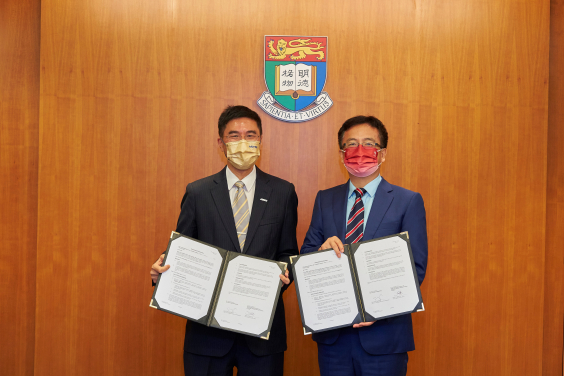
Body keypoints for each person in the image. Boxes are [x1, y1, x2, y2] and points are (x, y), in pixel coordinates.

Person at [150, 105, 299, 376]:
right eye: (234, 135)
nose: (243, 142)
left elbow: (288, 251)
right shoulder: (198, 192)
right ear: (221, 142)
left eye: (250, 134)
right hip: (207, 334)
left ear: (260, 140)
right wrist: (163, 267)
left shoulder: (283, 192)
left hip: (262, 333)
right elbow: (184, 248)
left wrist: (286, 273)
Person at [300, 115, 428, 376]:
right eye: (352, 144)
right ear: (341, 153)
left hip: (384, 339)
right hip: (334, 340)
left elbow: (416, 268)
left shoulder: (407, 201)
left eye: (369, 144)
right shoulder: (325, 199)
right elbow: (306, 257)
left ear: (382, 154)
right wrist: (320, 254)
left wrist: (378, 309)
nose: (360, 152)